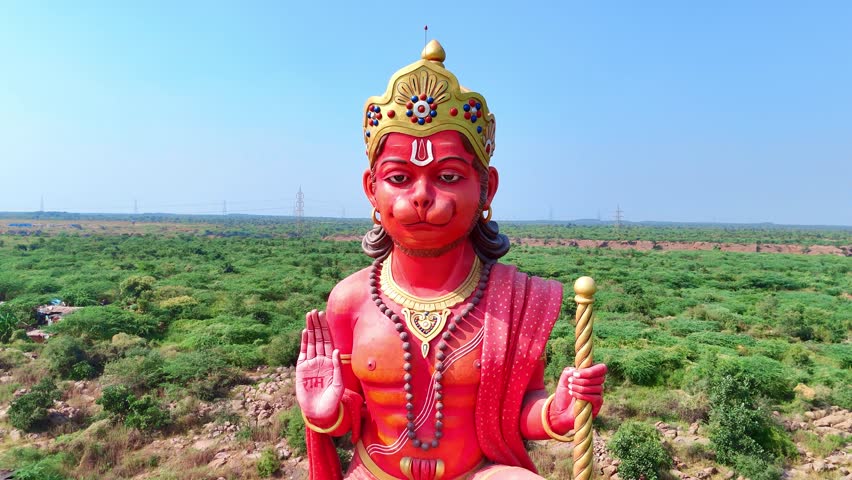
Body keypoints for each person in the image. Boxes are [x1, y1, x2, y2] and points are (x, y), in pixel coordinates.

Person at [296, 40, 607, 480]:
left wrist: (557, 412)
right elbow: (348, 419)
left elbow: (521, 413)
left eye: (448, 176)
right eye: (400, 178)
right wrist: (324, 411)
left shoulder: (512, 301)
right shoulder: (350, 301)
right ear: (371, 189)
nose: (422, 197)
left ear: (486, 189)